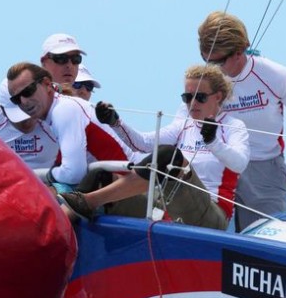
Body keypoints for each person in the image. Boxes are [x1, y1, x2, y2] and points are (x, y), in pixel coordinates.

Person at [60, 64, 249, 230]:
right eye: (187, 97)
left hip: (211, 213)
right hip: (169, 206)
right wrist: (115, 122)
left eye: (199, 97)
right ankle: (57, 229)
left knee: (170, 156)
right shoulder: (183, 125)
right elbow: (142, 144)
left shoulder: (233, 126)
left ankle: (89, 202)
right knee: (100, 175)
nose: (192, 103)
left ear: (218, 97)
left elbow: (239, 164)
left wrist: (213, 142)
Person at [197, 11, 286, 231]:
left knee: (263, 238)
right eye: (206, 60)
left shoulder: (274, 75)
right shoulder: (207, 80)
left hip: (264, 169)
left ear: (239, 51)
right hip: (217, 163)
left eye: (218, 61)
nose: (212, 68)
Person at [4, 61, 133, 192]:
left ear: (47, 84)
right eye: (16, 99)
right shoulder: (58, 114)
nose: (23, 101)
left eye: (28, 91)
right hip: (122, 183)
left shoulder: (63, 110)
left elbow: (73, 174)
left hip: (129, 185)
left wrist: (37, 175)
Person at [0, 78, 59, 170]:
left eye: (30, 112)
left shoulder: (55, 115)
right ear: (3, 112)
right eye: (19, 117)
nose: (27, 123)